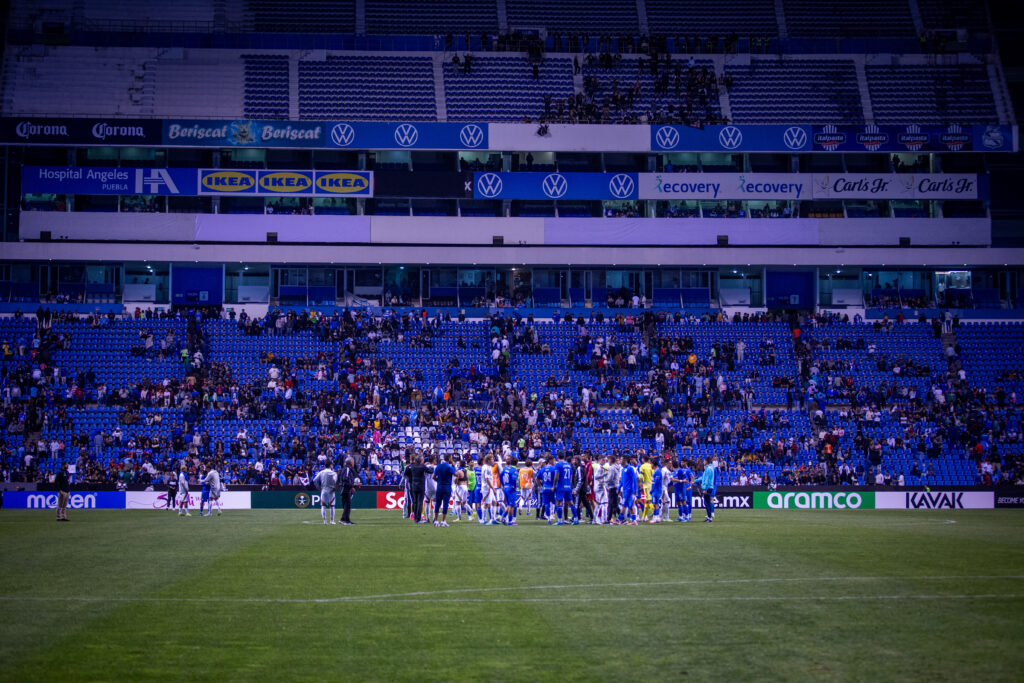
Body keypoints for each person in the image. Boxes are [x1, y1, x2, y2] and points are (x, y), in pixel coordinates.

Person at [432, 454, 456, 527]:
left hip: (439, 487)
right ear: (449, 458)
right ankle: (443, 521)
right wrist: (454, 465)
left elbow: (433, 477)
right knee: (445, 504)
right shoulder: (449, 467)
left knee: (437, 504)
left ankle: (436, 521)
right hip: (447, 487)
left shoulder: (438, 466)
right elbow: (456, 474)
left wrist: (438, 481)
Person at [404, 454, 428, 524]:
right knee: (419, 502)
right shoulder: (422, 466)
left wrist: (410, 480)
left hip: (412, 486)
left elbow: (405, 475)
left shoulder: (410, 467)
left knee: (414, 502)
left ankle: (415, 518)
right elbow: (430, 470)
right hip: (420, 486)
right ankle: (418, 518)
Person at [313, 459, 338, 525]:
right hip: (331, 491)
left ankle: (325, 521)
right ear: (330, 465)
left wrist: (319, 488)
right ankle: (332, 521)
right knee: (332, 506)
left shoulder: (321, 472)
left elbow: (315, 480)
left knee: (323, 506)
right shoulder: (333, 473)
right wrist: (335, 487)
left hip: (323, 490)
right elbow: (336, 481)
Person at [338, 456, 360, 525]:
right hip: (345, 489)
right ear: (350, 462)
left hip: (344, 488)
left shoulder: (345, 468)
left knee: (346, 505)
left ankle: (344, 519)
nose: (354, 463)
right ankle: (346, 521)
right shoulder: (347, 469)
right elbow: (346, 479)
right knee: (347, 505)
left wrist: (352, 486)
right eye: (353, 462)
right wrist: (352, 486)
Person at [619, 456, 639, 525]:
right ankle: (634, 520)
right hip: (624, 490)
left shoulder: (630, 468)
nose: (620, 461)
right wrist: (619, 488)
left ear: (624, 460)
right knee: (629, 505)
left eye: (621, 459)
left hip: (629, 490)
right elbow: (622, 481)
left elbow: (634, 479)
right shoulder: (623, 469)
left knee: (624, 504)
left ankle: (619, 519)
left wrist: (634, 489)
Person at [554, 451, 573, 525]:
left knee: (558, 502)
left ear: (557, 457)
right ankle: (575, 519)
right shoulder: (568, 464)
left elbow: (556, 476)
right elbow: (571, 477)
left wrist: (554, 485)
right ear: (564, 457)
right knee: (570, 502)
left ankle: (559, 520)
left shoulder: (558, 464)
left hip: (561, 485)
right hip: (568, 485)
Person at [538, 455, 558, 524]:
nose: (554, 461)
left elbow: (536, 479)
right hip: (552, 488)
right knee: (555, 503)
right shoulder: (554, 468)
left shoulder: (542, 469)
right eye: (553, 460)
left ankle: (548, 518)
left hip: (545, 488)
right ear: (550, 461)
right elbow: (556, 477)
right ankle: (554, 515)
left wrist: (541, 486)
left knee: (546, 504)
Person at [501, 459, 519, 525]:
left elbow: (500, 476)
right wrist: (514, 487)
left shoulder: (505, 468)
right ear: (516, 463)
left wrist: (503, 484)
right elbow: (514, 480)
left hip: (505, 487)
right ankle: (510, 522)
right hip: (511, 489)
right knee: (512, 506)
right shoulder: (514, 470)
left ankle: (503, 517)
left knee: (509, 505)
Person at [700, 456, 718, 523]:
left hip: (708, 488)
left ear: (707, 461)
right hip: (709, 487)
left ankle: (709, 518)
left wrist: (705, 488)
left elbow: (707, 480)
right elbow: (704, 478)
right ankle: (709, 517)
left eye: (704, 460)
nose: (703, 462)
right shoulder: (709, 468)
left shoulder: (709, 469)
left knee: (707, 503)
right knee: (707, 502)